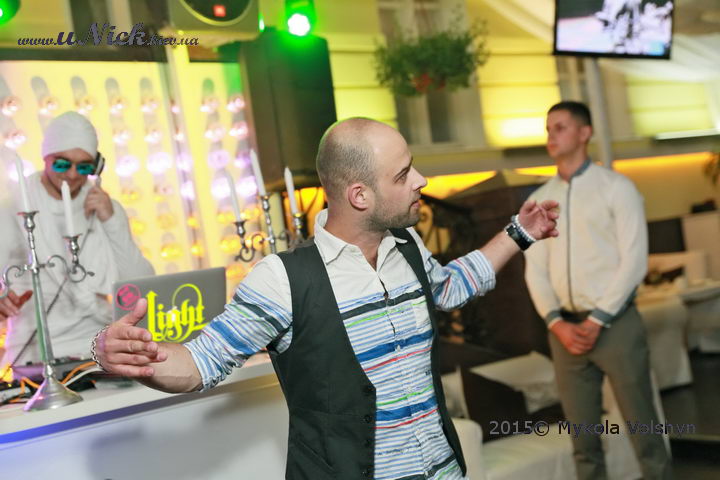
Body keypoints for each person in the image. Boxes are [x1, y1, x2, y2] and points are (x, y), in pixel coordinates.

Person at [95, 117, 559, 480]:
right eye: (403, 174)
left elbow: (450, 285)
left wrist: (520, 232)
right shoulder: (283, 279)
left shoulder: (407, 246)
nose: (421, 180)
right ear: (360, 195)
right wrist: (129, 358)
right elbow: (201, 362)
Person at [524, 101, 672, 479]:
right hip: (564, 333)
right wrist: (556, 323)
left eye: (560, 127)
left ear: (585, 132)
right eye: (548, 129)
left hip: (616, 325)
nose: (551, 136)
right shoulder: (539, 201)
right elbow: (534, 270)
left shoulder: (617, 188)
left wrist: (597, 320)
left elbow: (634, 261)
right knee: (583, 441)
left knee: (644, 430)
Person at [0, 111, 154, 370]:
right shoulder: (11, 208)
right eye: (62, 164)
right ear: (45, 157)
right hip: (34, 352)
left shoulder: (105, 207)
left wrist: (111, 220)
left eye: (84, 167)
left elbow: (140, 284)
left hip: (103, 345)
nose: (72, 174)